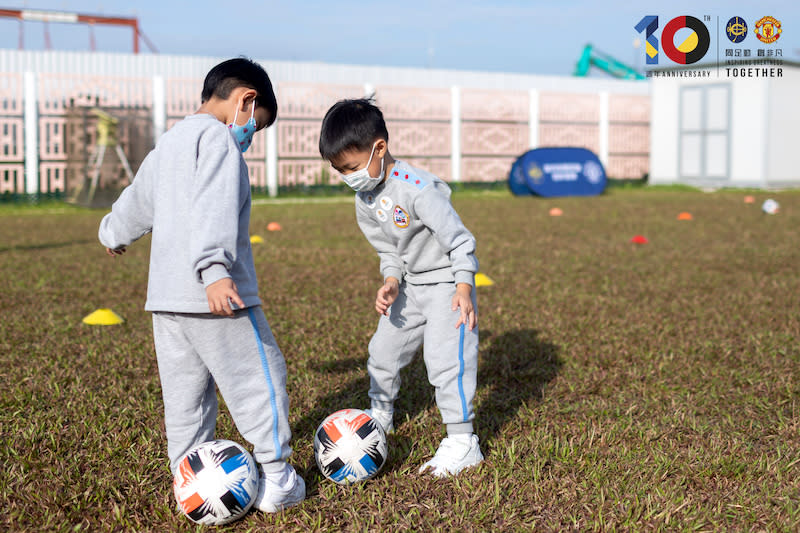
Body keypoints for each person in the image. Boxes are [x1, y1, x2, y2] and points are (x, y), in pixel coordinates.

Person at [98, 58, 305, 513]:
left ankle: (187, 478)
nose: (250, 135)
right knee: (259, 377)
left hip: (167, 302)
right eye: (256, 124)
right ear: (246, 100)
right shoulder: (218, 141)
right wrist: (214, 271)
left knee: (185, 397)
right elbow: (214, 204)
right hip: (216, 294)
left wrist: (113, 231)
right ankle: (279, 479)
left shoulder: (169, 143)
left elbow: (136, 202)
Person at [318, 98, 483, 477]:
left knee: (447, 362)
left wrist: (463, 286)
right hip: (410, 286)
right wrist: (391, 282)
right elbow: (388, 249)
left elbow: (459, 241)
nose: (349, 177)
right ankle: (379, 417)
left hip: (445, 286)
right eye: (340, 170)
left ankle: (463, 440)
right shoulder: (364, 197)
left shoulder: (419, 189)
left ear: (379, 148)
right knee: (383, 351)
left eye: (352, 167)